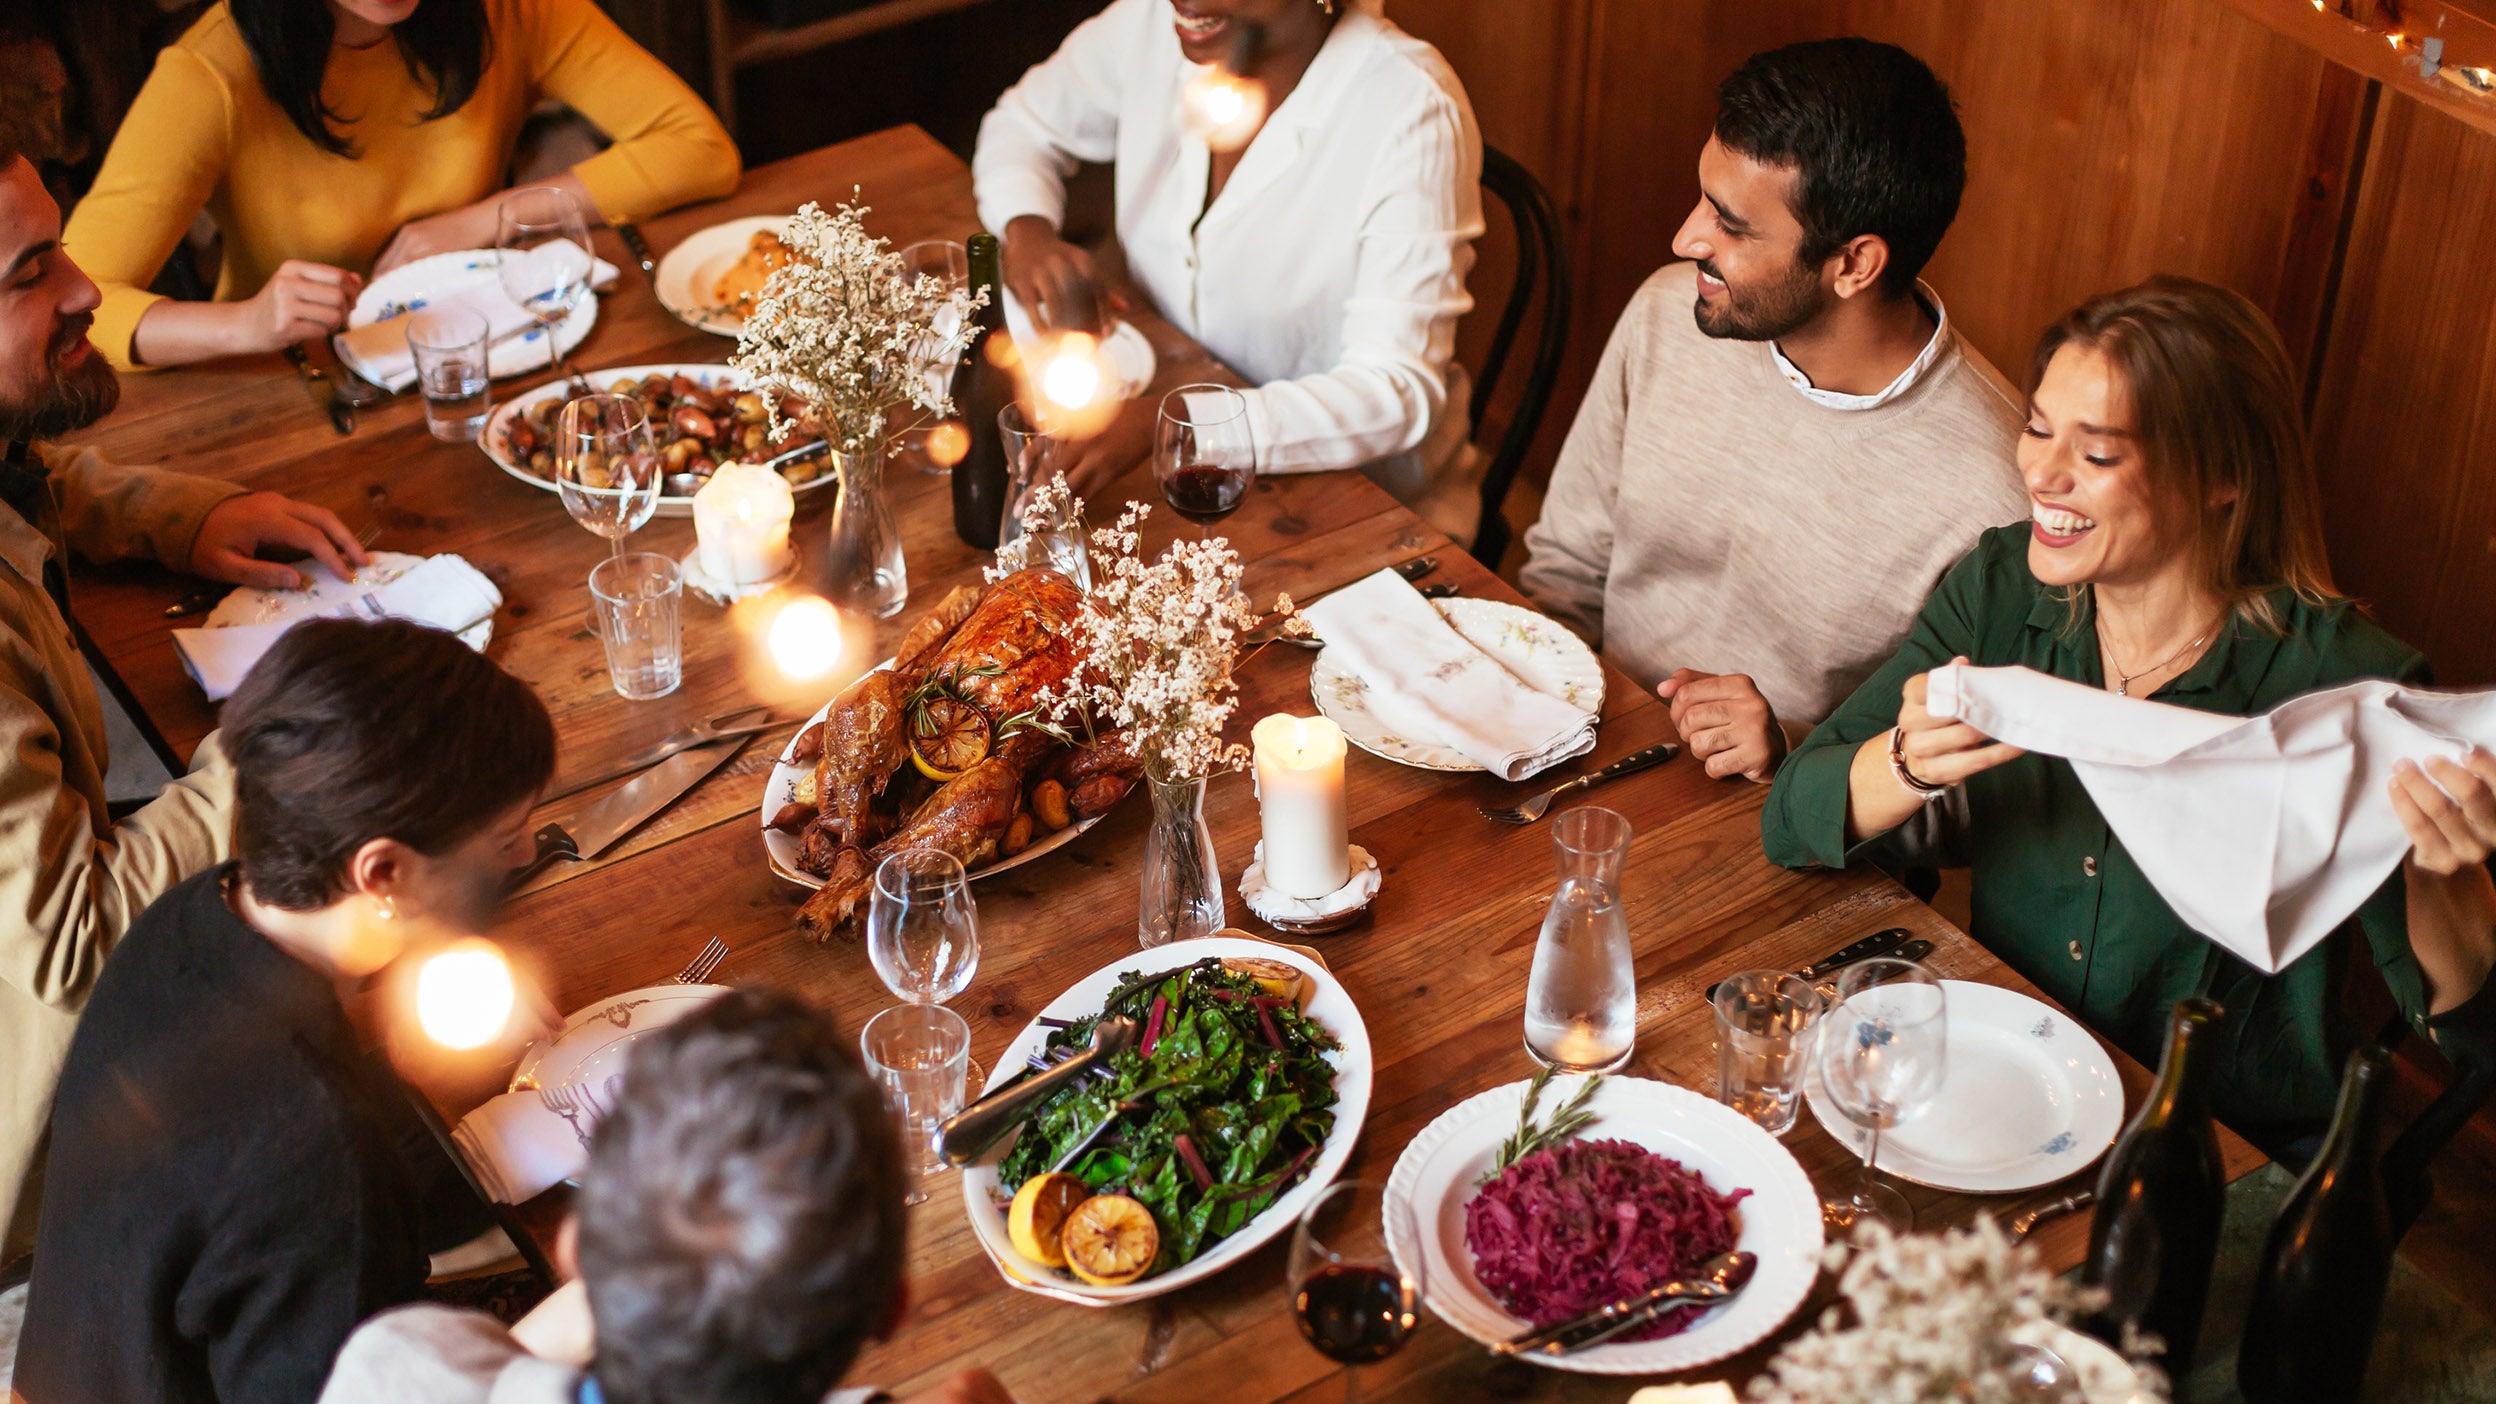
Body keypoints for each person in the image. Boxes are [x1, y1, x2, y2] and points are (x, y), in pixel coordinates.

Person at [1762, 276, 2496, 1141]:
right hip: (1997, 1086)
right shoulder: (1999, 591)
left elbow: (2470, 1037)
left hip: (2219, 1145)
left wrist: (2443, 874)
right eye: (2038, 426)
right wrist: (1907, 764)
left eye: (2098, 454)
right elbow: (1791, 817)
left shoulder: (2344, 686)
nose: (2040, 470)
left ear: (2224, 477)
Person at [14, 617, 558, 1404]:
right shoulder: (322, 1161)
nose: (529, 850)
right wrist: (561, 1336)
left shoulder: (193, 912)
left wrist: (394, 1010)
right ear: (382, 872)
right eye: (505, 836)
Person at [0, 139, 372, 1263]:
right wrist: (273, 736)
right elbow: (74, 942)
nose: (85, 292)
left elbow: (34, 478)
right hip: (52, 1166)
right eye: (29, 275)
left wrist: (180, 514)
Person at [1520, 39, 2029, 782]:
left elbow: (1963, 792)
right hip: (1586, 747)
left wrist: (1790, 747)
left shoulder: (1993, 493)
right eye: (1704, 199)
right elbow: (1563, 571)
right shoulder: (1671, 311)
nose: (1685, 238)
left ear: (1854, 264)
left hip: (1792, 830)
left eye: (1732, 226)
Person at [317, 987, 1018, 1404]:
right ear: (893, 1306)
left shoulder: (394, 1365)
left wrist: (638, 1274)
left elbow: (486, 1371)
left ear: (571, 1250)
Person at [972, 0, 1487, 543]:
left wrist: (1173, 426)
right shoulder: (1150, 24)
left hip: (1359, 515)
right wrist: (1028, 232)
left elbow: (1395, 390)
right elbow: (1021, 125)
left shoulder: (1410, 109)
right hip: (1168, 443)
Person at [64, 0, 740, 370]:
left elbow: (700, 149)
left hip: (488, 348)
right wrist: (247, 322)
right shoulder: (209, 74)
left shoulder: (513, 12)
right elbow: (75, 307)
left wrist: (484, 219)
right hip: (297, 386)